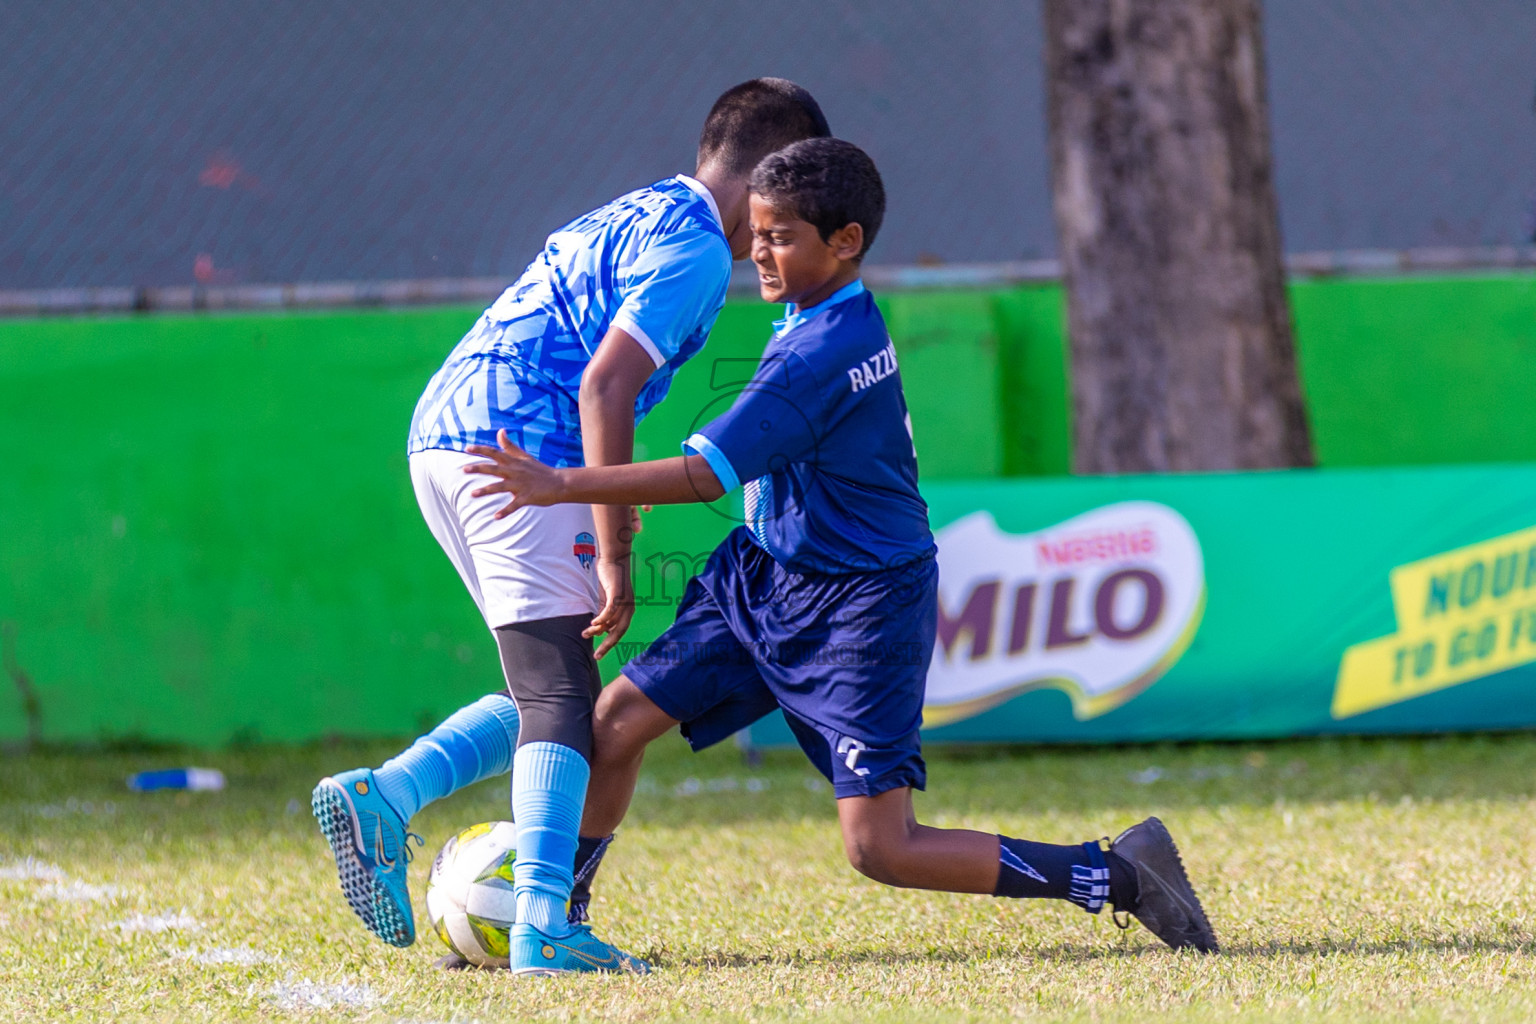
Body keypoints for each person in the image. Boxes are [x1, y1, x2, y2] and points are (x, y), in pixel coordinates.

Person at [465, 137, 1220, 956]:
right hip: (763, 576)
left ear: (845, 241)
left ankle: (1120, 875)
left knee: (881, 847)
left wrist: (562, 485)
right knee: (612, 724)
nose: (757, 250)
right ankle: (554, 924)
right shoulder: (822, 313)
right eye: (754, 231)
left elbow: (703, 475)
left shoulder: (823, 353)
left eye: (780, 235)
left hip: (862, 606)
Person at [310, 79, 831, 975]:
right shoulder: (701, 251)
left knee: (542, 689)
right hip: (516, 452)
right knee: (562, 699)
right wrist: (616, 543)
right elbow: (605, 384)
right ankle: (542, 921)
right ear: (764, 177)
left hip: (447, 435)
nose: (789, 223)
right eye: (793, 194)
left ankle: (388, 795)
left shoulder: (644, 209)